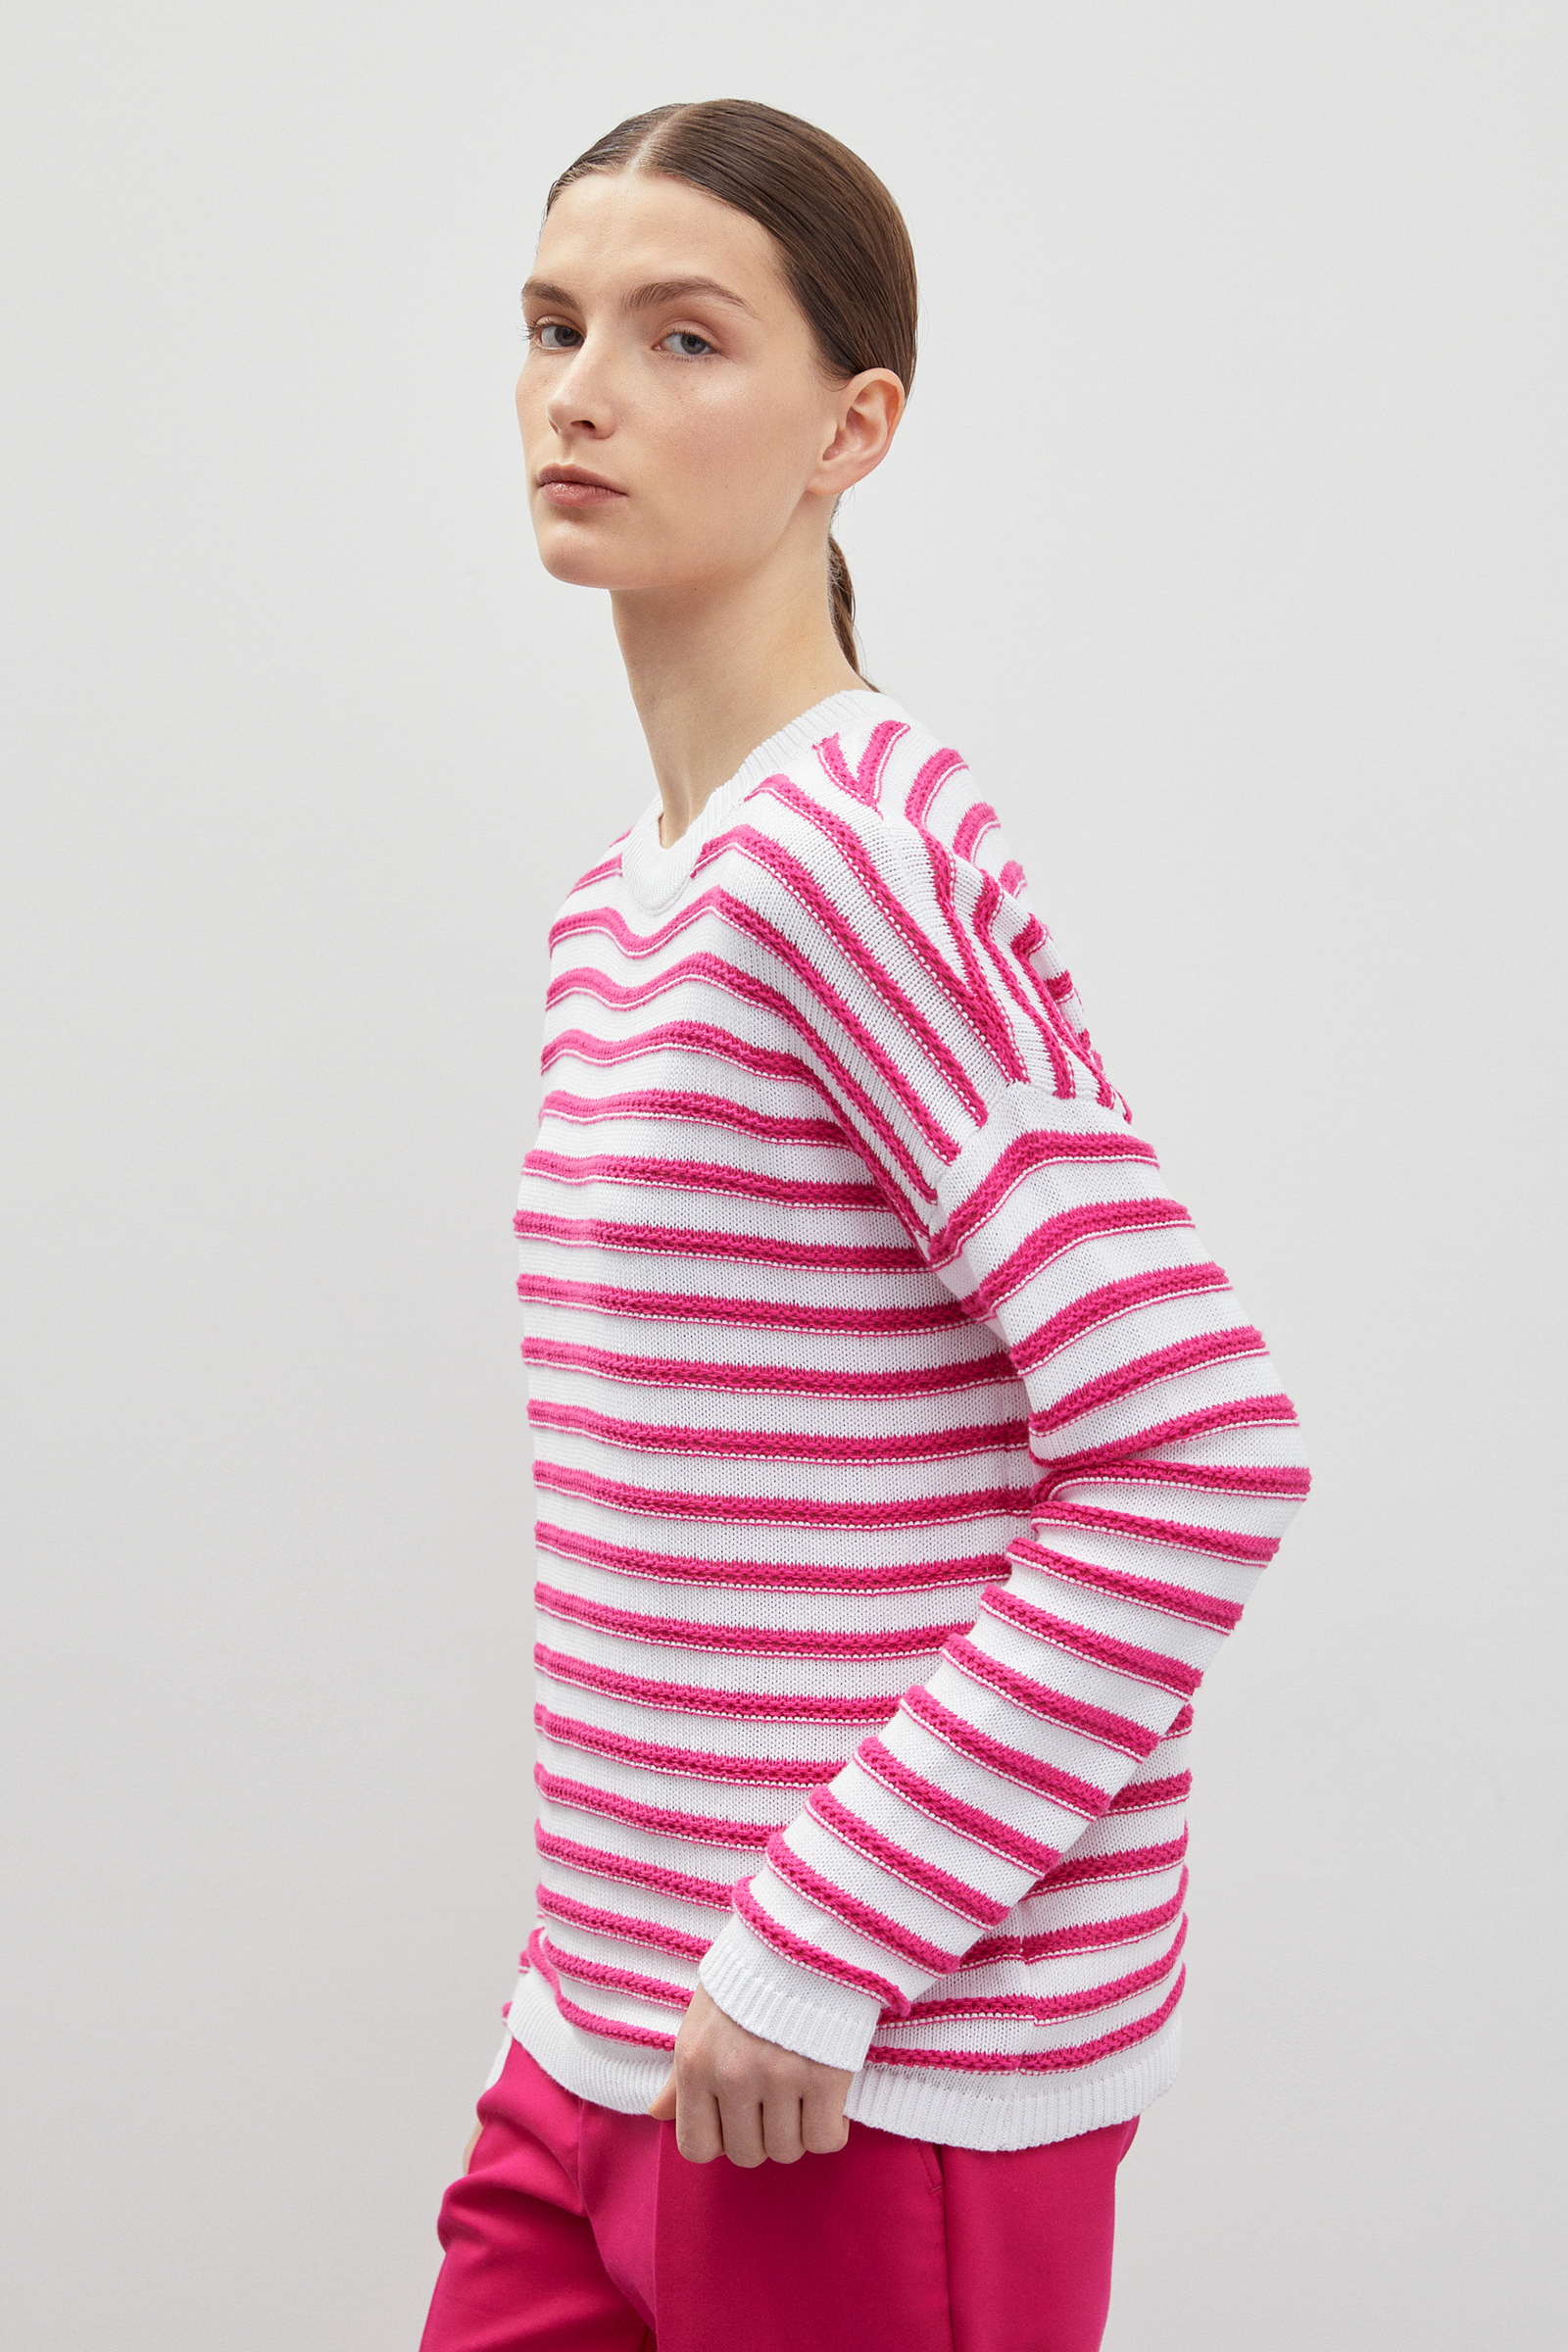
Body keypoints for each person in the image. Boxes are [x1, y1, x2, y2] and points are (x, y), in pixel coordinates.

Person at [418, 98, 1309, 2352]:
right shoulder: (624, 906)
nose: (580, 393)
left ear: (853, 427)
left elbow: (1195, 1452)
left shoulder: (847, 861)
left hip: (857, 2087)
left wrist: (821, 1944)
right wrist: (598, 1961)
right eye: (551, 325)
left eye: (681, 337)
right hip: (605, 2041)